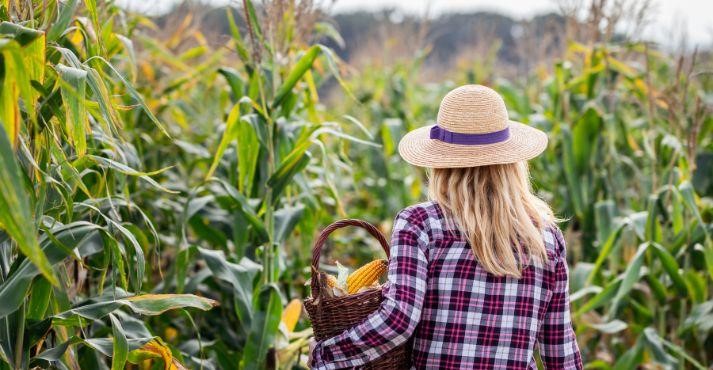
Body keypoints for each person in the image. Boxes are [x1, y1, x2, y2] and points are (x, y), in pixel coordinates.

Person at [309, 85, 583, 369]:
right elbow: (559, 347)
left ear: (441, 163)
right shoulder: (545, 237)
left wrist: (326, 353)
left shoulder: (420, 224)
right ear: (512, 164)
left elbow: (398, 320)